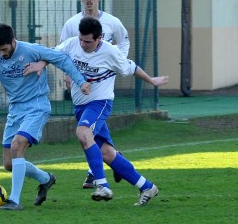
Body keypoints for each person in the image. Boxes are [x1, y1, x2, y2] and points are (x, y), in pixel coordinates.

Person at [24, 17, 169, 206]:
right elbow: (53, 54)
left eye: (88, 41)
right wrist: (40, 64)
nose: (83, 44)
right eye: (81, 39)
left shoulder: (110, 52)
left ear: (99, 38)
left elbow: (131, 67)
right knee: (108, 154)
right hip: (81, 107)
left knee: (83, 134)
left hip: (99, 103)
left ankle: (102, 186)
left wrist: (152, 81)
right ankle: (147, 187)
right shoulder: (72, 43)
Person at [0, 23, 91, 210]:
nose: (2, 53)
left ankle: (14, 201)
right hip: (15, 110)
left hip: (36, 106)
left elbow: (62, 59)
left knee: (17, 145)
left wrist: (81, 82)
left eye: (4, 49)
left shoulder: (31, 50)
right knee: (9, 163)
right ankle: (46, 179)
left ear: (13, 41)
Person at [63, 0, 130, 188]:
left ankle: (95, 174)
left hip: (101, 84)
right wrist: (67, 74)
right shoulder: (72, 24)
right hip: (81, 85)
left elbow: (124, 40)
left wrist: (117, 63)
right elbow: (63, 52)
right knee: (93, 127)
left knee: (86, 130)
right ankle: (116, 162)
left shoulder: (112, 22)